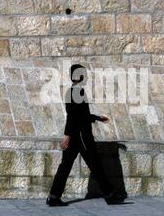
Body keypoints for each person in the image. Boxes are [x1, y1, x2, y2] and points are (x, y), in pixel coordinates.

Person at [46, 64, 125, 206]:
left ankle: (53, 196)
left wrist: (97, 118)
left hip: (76, 135)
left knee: (66, 166)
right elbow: (72, 117)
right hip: (81, 136)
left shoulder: (72, 91)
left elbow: (81, 115)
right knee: (95, 164)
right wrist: (67, 136)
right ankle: (109, 195)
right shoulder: (78, 92)